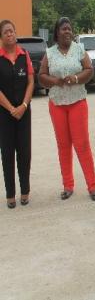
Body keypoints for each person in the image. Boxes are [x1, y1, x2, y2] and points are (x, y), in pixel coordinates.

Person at [38, 17, 95, 201]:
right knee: (63, 145)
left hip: (77, 102)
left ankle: (92, 186)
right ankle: (68, 185)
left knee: (82, 144)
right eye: (63, 29)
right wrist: (55, 81)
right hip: (57, 104)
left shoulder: (79, 49)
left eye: (69, 29)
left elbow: (89, 70)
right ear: (57, 32)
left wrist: (76, 78)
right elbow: (41, 76)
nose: (67, 32)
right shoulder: (49, 53)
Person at [0, 20, 34, 208]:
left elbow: (30, 82)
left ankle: (25, 191)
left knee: (24, 152)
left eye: (12, 31)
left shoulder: (24, 55)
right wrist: (11, 108)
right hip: (4, 114)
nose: (10, 35)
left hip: (24, 112)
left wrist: (23, 105)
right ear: (1, 36)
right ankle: (10, 194)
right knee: (7, 153)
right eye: (6, 32)